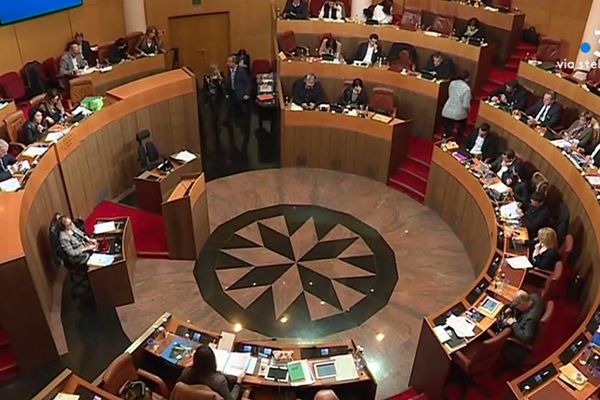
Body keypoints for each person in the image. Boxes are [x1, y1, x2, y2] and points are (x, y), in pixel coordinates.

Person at [501, 290, 544, 366]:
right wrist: (511, 307)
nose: (515, 307)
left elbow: (526, 338)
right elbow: (521, 301)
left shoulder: (530, 318)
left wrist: (513, 324)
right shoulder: (534, 297)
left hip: (521, 346)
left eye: (515, 305)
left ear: (521, 304)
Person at [226, 55, 252, 147]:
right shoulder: (229, 71)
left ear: (234, 62)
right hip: (233, 94)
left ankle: (246, 129)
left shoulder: (241, 71)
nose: (227, 63)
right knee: (233, 110)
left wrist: (247, 94)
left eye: (229, 62)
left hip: (241, 95)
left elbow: (248, 82)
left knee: (244, 111)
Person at [441, 70, 472, 141]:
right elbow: (465, 105)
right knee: (463, 124)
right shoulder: (467, 89)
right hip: (458, 113)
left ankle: (445, 139)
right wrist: (469, 110)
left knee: (448, 128)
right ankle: (458, 140)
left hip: (447, 109)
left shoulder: (452, 83)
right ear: (467, 79)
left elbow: (450, 94)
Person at [203, 64, 226, 136]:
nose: (216, 70)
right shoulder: (207, 77)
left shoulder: (220, 75)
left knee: (218, 110)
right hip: (212, 97)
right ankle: (216, 124)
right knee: (215, 111)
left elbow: (223, 85)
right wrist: (208, 95)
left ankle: (217, 121)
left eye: (217, 69)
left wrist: (219, 77)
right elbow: (206, 87)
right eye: (215, 69)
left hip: (220, 96)